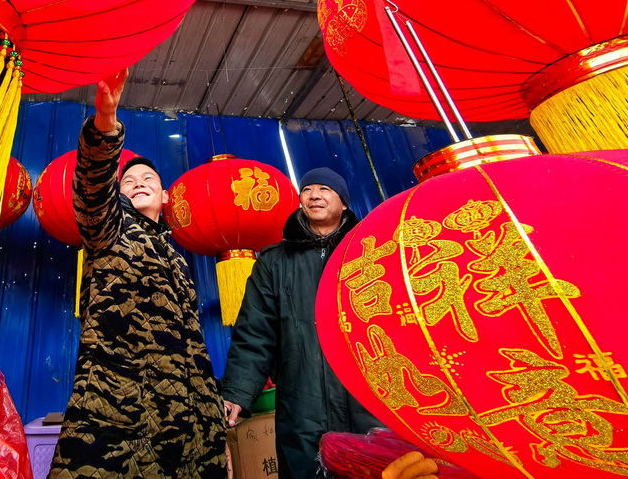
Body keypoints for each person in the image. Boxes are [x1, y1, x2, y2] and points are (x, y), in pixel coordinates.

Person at [49, 69, 226, 478]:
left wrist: (210, 414)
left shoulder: (176, 257)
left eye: (149, 179)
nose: (139, 183)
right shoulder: (109, 229)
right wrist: (105, 127)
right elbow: (92, 187)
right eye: (129, 181)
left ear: (166, 197)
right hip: (119, 412)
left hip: (188, 421)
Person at [221, 167, 380, 478]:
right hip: (302, 402)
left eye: (325, 189)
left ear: (344, 202)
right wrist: (237, 392)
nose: (315, 195)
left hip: (368, 398)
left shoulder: (369, 251)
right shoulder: (274, 261)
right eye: (308, 190)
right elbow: (255, 332)